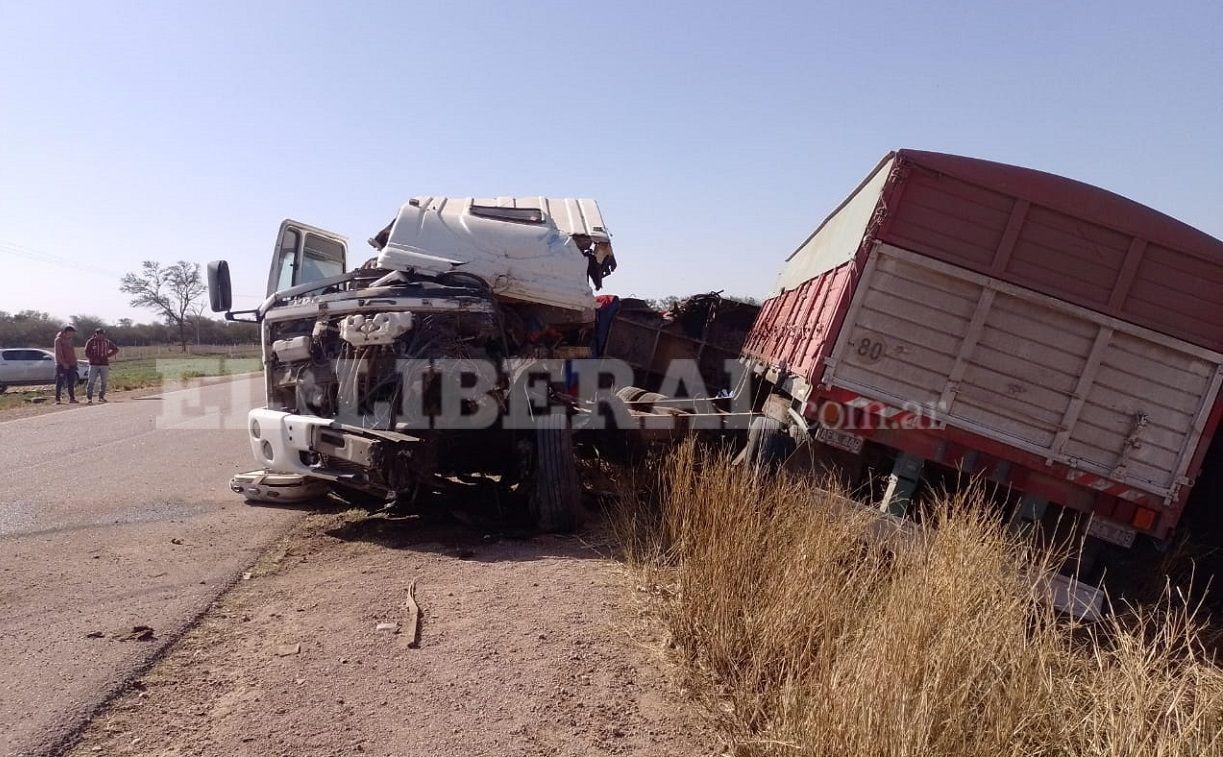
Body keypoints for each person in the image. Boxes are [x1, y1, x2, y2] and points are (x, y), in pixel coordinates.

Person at [84, 328, 120, 404]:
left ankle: (101, 396)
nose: (101, 336)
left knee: (104, 381)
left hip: (104, 364)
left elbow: (116, 349)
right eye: (99, 334)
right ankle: (89, 398)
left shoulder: (107, 342)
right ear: (96, 334)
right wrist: (93, 358)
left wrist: (108, 355)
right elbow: (86, 352)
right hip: (93, 364)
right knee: (91, 381)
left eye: (102, 334)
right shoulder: (91, 341)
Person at [53, 325, 79, 404]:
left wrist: (75, 361)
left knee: (71, 382)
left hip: (72, 364)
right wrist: (63, 363)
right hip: (62, 365)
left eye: (72, 333)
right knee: (60, 382)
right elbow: (58, 353)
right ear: (65, 332)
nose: (71, 335)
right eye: (70, 333)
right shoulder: (58, 340)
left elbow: (72, 352)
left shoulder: (70, 340)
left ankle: (72, 398)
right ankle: (57, 399)